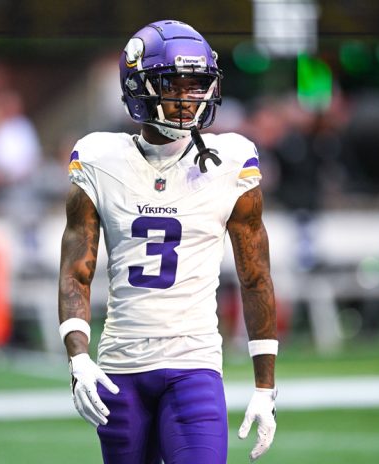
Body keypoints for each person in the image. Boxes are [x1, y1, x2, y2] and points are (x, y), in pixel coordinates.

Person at [58, 20, 278, 463]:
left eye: (198, 85)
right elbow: (75, 271)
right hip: (122, 368)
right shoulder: (100, 159)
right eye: (174, 84)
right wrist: (78, 358)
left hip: (194, 364)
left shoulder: (231, 161)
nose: (189, 98)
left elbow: (255, 277)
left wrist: (265, 386)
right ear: (139, 86)